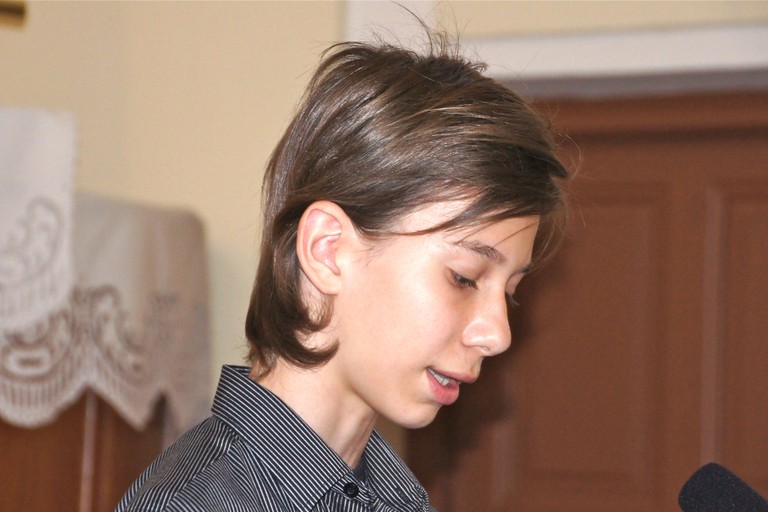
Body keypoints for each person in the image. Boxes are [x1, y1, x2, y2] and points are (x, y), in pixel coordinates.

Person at [116, 31, 568, 512]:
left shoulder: (399, 500)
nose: (497, 335)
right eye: (464, 277)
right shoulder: (193, 503)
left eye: (510, 293)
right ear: (328, 250)